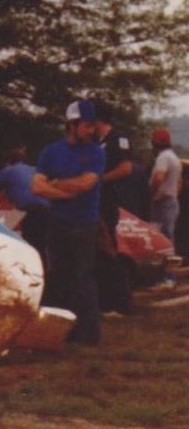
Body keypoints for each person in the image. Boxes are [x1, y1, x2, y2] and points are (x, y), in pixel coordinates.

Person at [32, 100, 105, 344]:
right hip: (58, 221)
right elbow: (36, 186)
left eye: (93, 126)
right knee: (59, 277)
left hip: (85, 222)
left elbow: (86, 185)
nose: (91, 131)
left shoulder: (96, 152)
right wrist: (68, 189)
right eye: (86, 125)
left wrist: (54, 183)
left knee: (83, 277)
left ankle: (88, 334)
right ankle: (61, 333)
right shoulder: (51, 151)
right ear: (72, 125)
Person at [93, 108, 135, 315]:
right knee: (98, 252)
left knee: (109, 249)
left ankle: (119, 301)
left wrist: (98, 181)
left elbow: (126, 168)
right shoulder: (96, 143)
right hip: (94, 202)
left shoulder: (118, 139)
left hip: (107, 200)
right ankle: (104, 299)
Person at [0, 147, 50, 262]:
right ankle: (47, 273)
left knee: (31, 245)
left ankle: (38, 274)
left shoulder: (7, 171)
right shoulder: (36, 170)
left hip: (32, 209)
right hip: (51, 209)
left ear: (7, 163)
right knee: (43, 244)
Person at [148, 128, 181, 243]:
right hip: (172, 201)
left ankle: (164, 260)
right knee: (168, 236)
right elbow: (179, 182)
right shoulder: (174, 158)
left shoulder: (163, 158)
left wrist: (151, 194)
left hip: (162, 202)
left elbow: (158, 177)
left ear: (154, 142)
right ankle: (170, 260)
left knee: (160, 238)